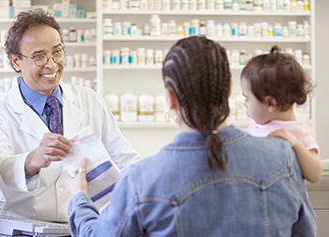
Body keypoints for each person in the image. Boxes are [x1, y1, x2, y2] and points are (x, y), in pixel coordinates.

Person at [66, 36, 316, 236]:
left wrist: (79, 198)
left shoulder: (141, 179)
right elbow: (304, 232)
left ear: (170, 99)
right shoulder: (283, 157)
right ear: (229, 88)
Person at [0, 9, 139, 222]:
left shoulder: (90, 100)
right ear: (16, 61)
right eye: (39, 56)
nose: (52, 64)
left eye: (57, 52)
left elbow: (123, 158)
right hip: (21, 228)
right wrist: (32, 160)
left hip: (82, 225)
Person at [240, 45, 322, 183]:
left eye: (247, 98)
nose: (244, 104)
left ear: (271, 103)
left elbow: (315, 174)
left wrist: (295, 143)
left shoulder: (298, 132)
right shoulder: (256, 126)